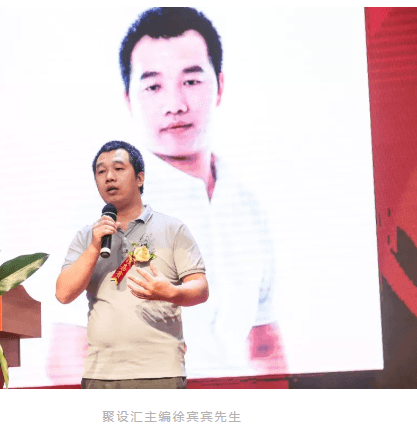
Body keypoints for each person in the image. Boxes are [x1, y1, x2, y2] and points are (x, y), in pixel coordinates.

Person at [48, 7, 287, 381]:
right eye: (153, 86)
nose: (175, 104)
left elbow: (264, 347)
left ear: (220, 85)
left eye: (191, 81)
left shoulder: (246, 203)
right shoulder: (103, 212)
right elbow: (67, 358)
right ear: (128, 99)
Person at [56, 140, 209, 388]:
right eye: (101, 171)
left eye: (118, 168)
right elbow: (63, 294)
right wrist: (94, 247)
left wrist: (171, 292)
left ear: (139, 178)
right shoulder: (87, 237)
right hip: (101, 373)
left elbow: (200, 288)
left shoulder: (173, 229)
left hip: (161, 371)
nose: (109, 177)